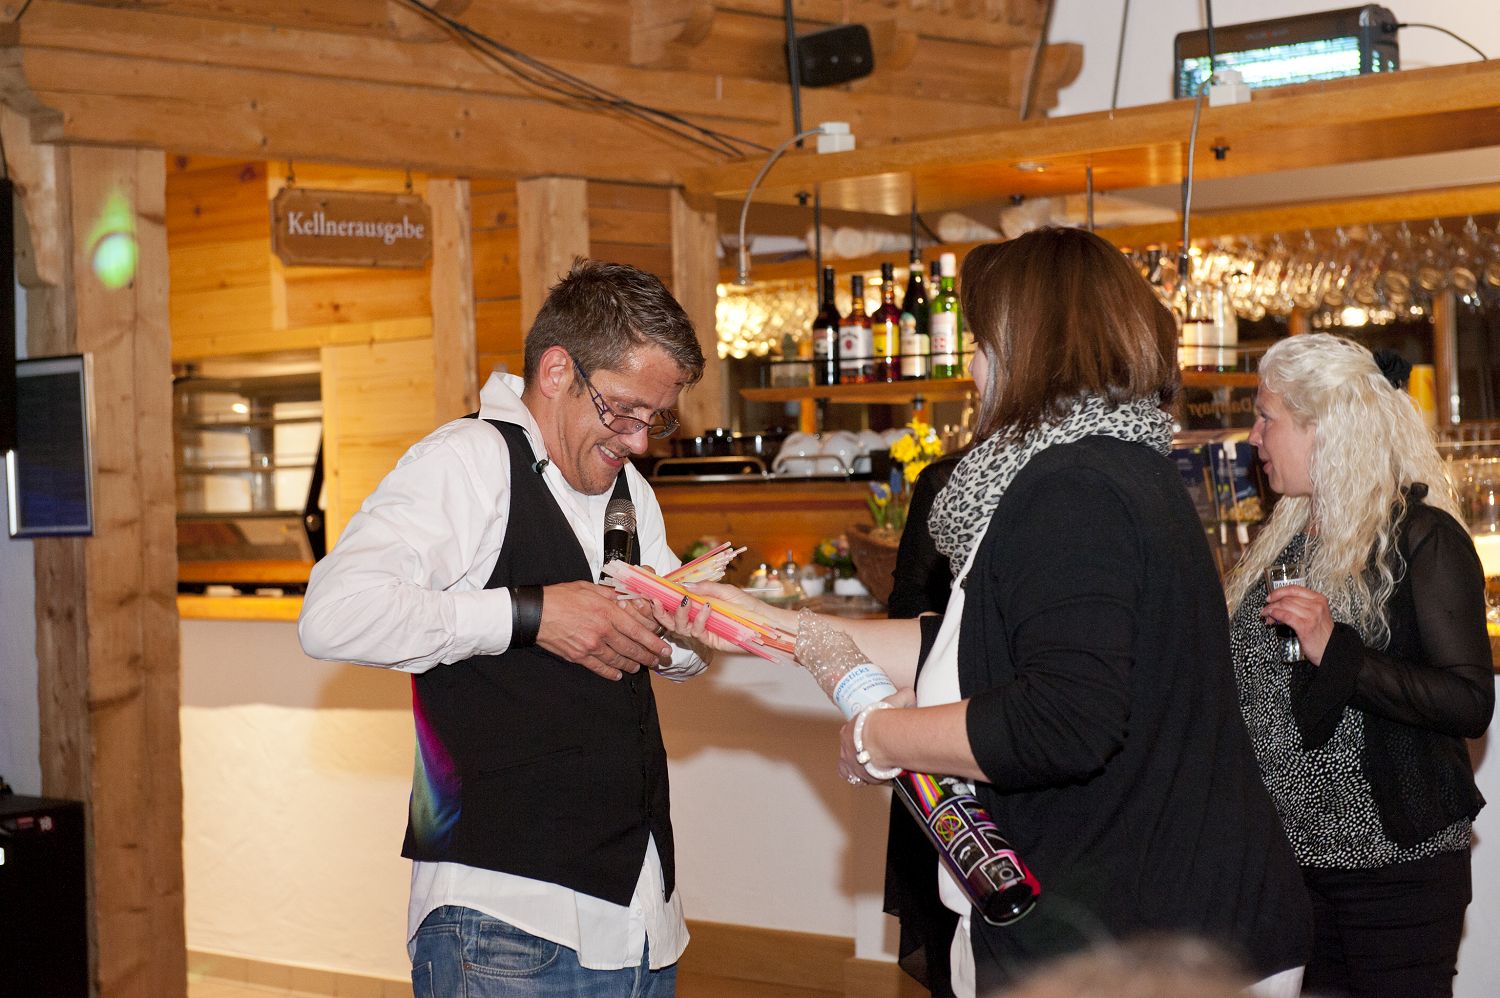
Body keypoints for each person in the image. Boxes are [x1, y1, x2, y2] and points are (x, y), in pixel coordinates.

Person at [684, 227, 1311, 996]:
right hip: (1157, 912)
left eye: (983, 344)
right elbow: (971, 645)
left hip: (1136, 940)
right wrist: (762, 623)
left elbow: (1062, 721)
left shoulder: (1072, 487)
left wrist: (881, 736)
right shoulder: (1107, 465)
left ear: (1029, 348)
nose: (973, 369)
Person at [298, 259, 709, 996]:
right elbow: (335, 613)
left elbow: (680, 648)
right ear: (556, 371)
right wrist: (531, 613)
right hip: (505, 926)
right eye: (623, 409)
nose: (641, 440)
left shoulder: (628, 489)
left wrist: (681, 628)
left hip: (641, 918)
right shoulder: (467, 461)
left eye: (657, 418)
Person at [1225, 333, 1494, 998]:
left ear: (1323, 427)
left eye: (1266, 418)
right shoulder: (1283, 538)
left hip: (1394, 872)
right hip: (1291, 868)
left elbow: (1469, 701)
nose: (1254, 437)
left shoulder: (1421, 536)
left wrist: (1337, 649)